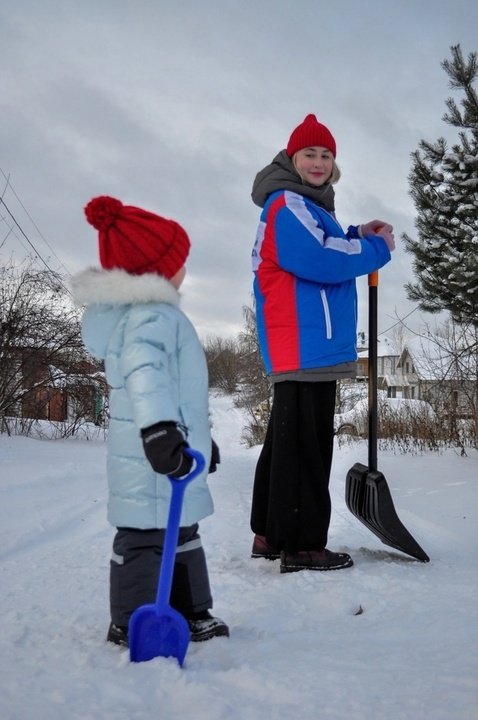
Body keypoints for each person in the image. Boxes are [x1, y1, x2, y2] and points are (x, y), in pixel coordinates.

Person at [71, 195, 228, 646]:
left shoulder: (150, 315)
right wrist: (160, 433)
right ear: (157, 271)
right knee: (143, 538)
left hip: (168, 451)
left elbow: (178, 389)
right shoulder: (152, 317)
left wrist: (200, 439)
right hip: (150, 455)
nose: (185, 272)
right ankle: (131, 619)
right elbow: (146, 375)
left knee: (182, 533)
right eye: (179, 262)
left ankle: (193, 612)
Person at [249, 114, 395, 573]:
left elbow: (328, 241)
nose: (318, 161)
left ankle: (271, 533)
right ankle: (304, 545)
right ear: (292, 159)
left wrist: (356, 234)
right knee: (307, 448)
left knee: (287, 442)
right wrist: (377, 251)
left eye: (326, 155)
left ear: (334, 164)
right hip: (304, 342)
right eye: (309, 154)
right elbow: (318, 257)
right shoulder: (286, 203)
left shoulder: (309, 207)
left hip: (307, 342)